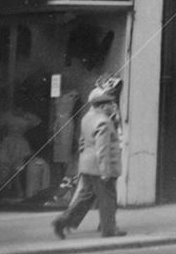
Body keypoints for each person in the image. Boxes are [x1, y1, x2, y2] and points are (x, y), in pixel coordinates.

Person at [51, 87, 125, 240]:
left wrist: (84, 157)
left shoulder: (87, 118)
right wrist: (105, 171)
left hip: (86, 165)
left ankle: (62, 221)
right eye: (109, 104)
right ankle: (109, 230)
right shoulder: (104, 122)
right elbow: (102, 149)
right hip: (100, 166)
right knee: (108, 198)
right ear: (102, 106)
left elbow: (82, 141)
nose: (112, 107)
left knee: (85, 196)